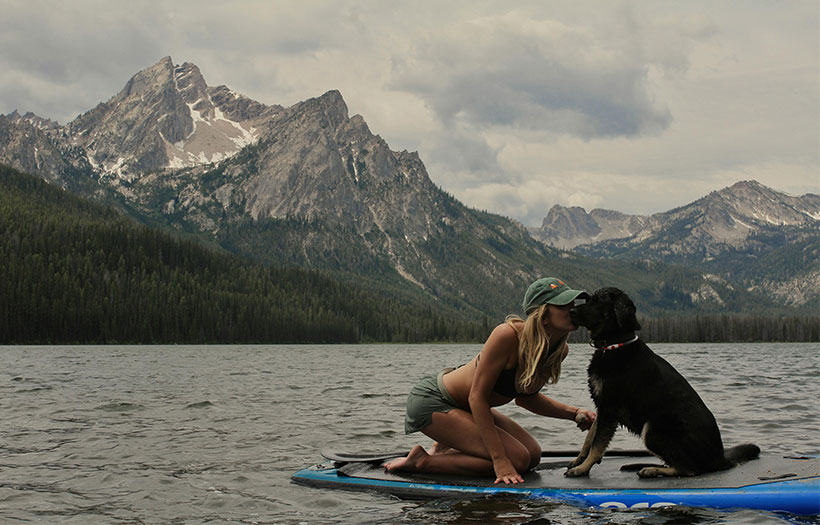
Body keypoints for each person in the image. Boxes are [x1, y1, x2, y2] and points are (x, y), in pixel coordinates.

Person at [384, 277, 597, 484]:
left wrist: (574, 413)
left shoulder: (559, 350)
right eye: (564, 306)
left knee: (532, 455)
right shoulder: (507, 335)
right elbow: (477, 397)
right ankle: (422, 461)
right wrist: (499, 460)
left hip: (464, 407)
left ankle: (444, 446)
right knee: (518, 459)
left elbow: (526, 399)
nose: (573, 311)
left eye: (573, 305)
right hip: (433, 401)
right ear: (542, 314)